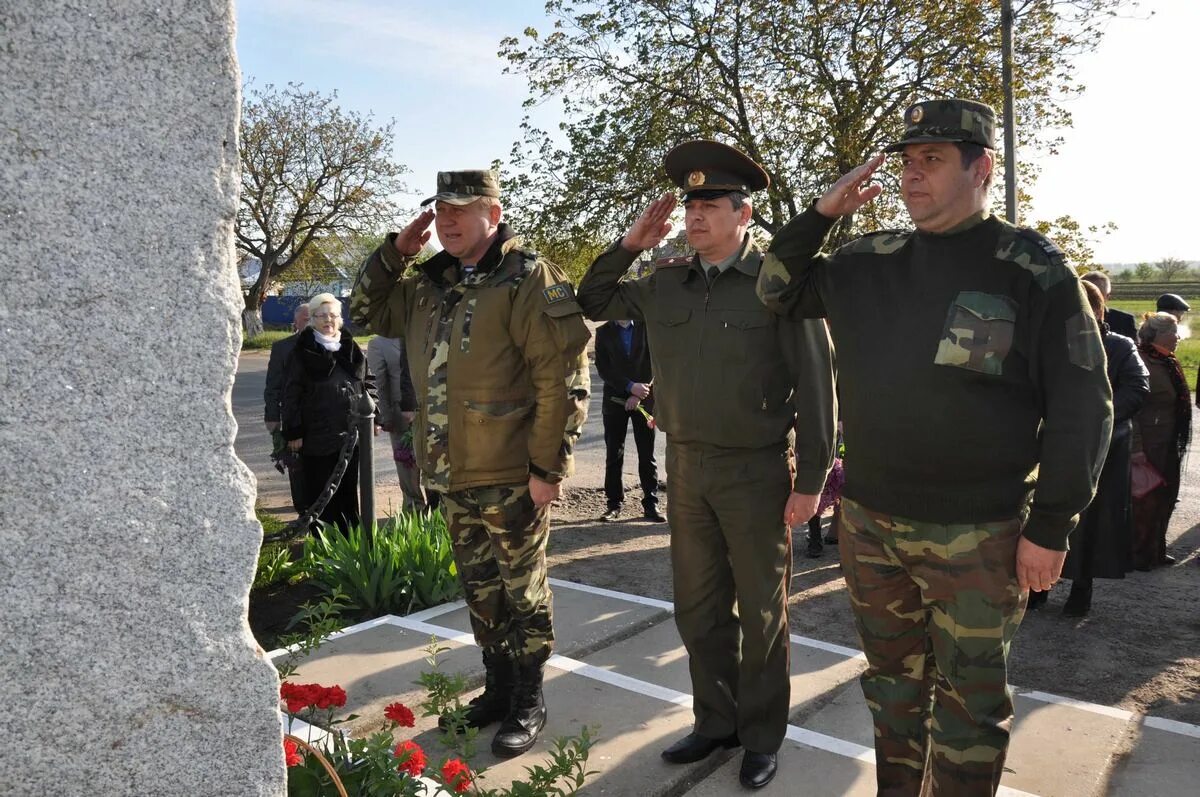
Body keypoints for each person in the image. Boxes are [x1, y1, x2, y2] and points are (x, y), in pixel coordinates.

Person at [756, 98, 1113, 796]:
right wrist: (822, 213)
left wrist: (1052, 524)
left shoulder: (1032, 269)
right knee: (892, 690)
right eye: (908, 161)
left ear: (980, 168)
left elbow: (1083, 406)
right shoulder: (870, 260)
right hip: (871, 523)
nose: (913, 176)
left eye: (934, 160)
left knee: (970, 709)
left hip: (979, 533)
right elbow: (776, 287)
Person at [577, 141, 836, 790]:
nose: (694, 214)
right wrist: (632, 241)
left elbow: (818, 384)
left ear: (743, 214)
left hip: (756, 472)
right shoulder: (665, 281)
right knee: (697, 610)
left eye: (709, 204)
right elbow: (592, 297)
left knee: (762, 612)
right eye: (690, 204)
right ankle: (715, 719)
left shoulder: (777, 283)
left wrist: (810, 485)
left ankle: (761, 735)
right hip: (686, 468)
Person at [351, 169, 591, 758]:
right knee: (480, 589)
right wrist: (394, 253)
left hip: (511, 473)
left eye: (461, 209)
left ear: (494, 210)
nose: (447, 221)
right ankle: (498, 685)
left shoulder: (528, 277)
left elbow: (561, 379)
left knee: (522, 590)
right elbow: (361, 314)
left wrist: (548, 469)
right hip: (450, 472)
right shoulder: (425, 286)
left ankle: (529, 696)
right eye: (440, 210)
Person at [1054, 282, 1149, 616]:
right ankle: (1039, 585)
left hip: (1103, 448)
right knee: (1047, 511)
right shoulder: (1057, 343)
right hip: (1057, 444)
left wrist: (1100, 417)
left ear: (1098, 310)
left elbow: (1137, 387)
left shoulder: (1120, 346)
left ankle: (1081, 587)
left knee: (1091, 522)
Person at [281, 294, 374, 534]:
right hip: (317, 436)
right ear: (312, 320)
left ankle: (351, 546)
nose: (328, 321)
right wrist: (294, 432)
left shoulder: (351, 348)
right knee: (322, 494)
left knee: (348, 492)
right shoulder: (303, 351)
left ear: (340, 319)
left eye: (333, 315)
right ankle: (325, 547)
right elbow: (290, 394)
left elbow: (368, 382)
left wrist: (373, 415)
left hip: (350, 435)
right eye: (322, 316)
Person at [1131, 311, 1190, 570]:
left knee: (1166, 497)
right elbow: (1133, 409)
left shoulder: (1167, 361)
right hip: (1149, 445)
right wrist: (1136, 449)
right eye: (1173, 332)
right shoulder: (1142, 361)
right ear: (1160, 335)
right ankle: (1138, 555)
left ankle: (1155, 550)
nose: (1178, 337)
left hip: (1167, 443)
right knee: (1146, 502)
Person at [594, 319, 663, 522]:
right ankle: (614, 504)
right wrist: (628, 386)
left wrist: (638, 393)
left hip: (644, 397)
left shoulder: (646, 326)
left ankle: (651, 503)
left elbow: (655, 361)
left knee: (647, 453)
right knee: (614, 453)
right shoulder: (603, 332)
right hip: (614, 401)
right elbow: (603, 367)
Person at [366, 335, 430, 513]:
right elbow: (378, 381)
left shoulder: (423, 332)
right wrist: (383, 417)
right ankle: (413, 510)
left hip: (431, 412)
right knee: (407, 467)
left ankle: (436, 511)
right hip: (401, 415)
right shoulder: (378, 343)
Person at [265, 302, 310, 513]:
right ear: (296, 323)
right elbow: (273, 384)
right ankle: (302, 510)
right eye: (306, 320)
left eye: (314, 319)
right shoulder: (282, 348)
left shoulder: (331, 344)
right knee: (297, 466)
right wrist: (272, 416)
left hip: (322, 419)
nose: (310, 324)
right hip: (293, 418)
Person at [1080, 271, 1136, 340]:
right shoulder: (1071, 320)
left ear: (1107, 297)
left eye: (1097, 295)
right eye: (1086, 293)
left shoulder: (1125, 321)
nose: (1092, 298)